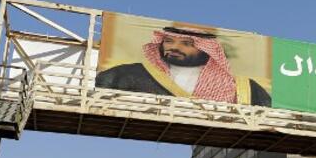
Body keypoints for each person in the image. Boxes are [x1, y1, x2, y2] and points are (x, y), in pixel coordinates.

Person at [95, 26, 271, 106]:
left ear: (207, 50)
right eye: (169, 41)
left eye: (187, 44)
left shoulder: (245, 89)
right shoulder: (127, 73)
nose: (174, 47)